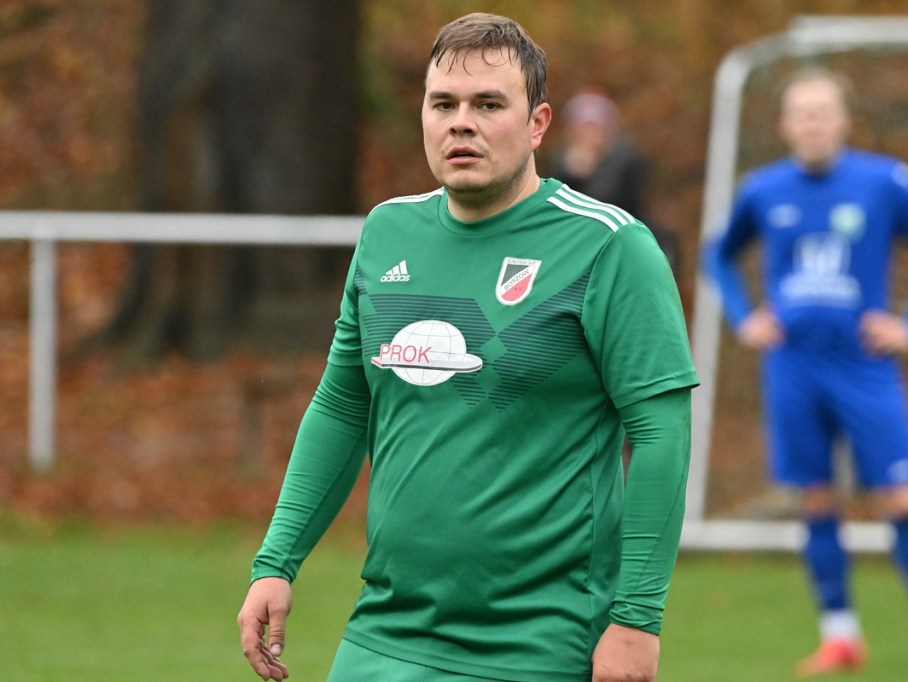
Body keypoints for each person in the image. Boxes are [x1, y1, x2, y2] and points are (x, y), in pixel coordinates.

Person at [237, 12, 698, 682]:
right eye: (443, 104)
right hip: (385, 633)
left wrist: (636, 619)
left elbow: (662, 432)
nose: (461, 123)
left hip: (540, 643)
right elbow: (342, 406)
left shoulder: (609, 246)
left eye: (488, 104)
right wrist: (276, 561)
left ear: (537, 123)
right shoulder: (387, 233)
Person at [702, 67, 908, 679]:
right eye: (802, 114)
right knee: (816, 499)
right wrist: (745, 317)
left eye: (823, 112)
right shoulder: (762, 190)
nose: (813, 124)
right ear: (785, 125)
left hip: (865, 367)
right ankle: (840, 635)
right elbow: (717, 256)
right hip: (792, 368)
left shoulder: (884, 180)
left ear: (844, 120)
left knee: (899, 497)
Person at [547, 88, 679, 274]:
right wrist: (572, 174)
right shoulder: (561, 162)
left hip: (621, 247)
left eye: (595, 127)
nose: (589, 135)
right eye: (583, 127)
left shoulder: (629, 160)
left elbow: (625, 206)